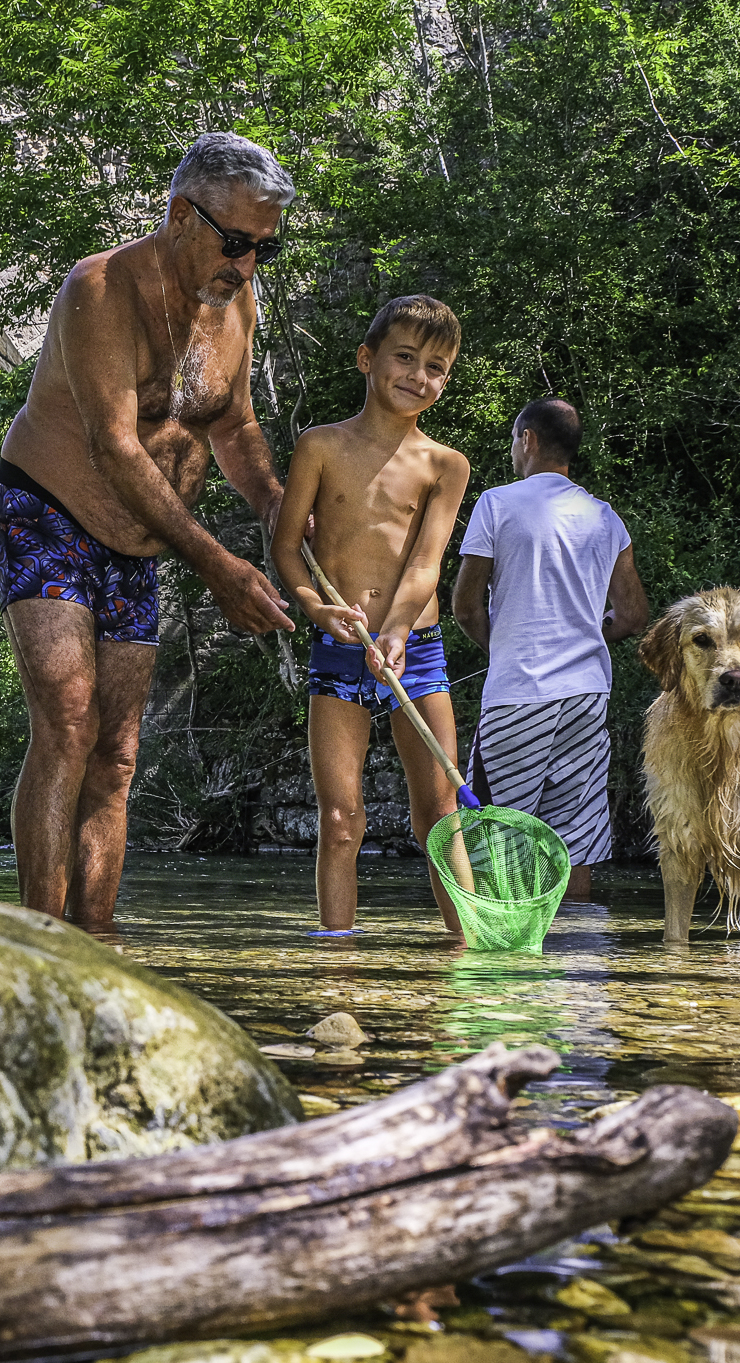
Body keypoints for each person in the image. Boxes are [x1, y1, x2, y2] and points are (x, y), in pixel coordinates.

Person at [0, 132, 297, 924]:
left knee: (118, 753)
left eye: (265, 247)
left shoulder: (237, 299)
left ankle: (95, 938)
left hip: (140, 542)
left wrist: (275, 509)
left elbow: (233, 424)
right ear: (180, 216)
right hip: (47, 510)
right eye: (235, 243)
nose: (248, 265)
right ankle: (41, 933)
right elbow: (115, 448)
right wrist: (218, 564)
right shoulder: (99, 289)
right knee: (66, 719)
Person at [273, 296, 470, 934]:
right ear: (367, 359)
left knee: (439, 815)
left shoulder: (446, 466)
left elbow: (425, 565)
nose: (419, 376)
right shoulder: (319, 446)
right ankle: (339, 963)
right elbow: (284, 547)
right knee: (340, 818)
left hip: (418, 648)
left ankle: (467, 953)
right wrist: (311, 603)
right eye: (405, 358)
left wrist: (396, 630)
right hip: (339, 647)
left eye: (436, 367)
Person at [450, 397, 649, 902]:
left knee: (501, 832)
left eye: (515, 443)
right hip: (586, 696)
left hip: (519, 694)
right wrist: (582, 635)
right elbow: (631, 616)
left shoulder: (496, 504)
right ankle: (581, 964)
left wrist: (503, 649)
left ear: (528, 440)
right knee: (575, 838)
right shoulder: (606, 519)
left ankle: (509, 960)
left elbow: (466, 607)